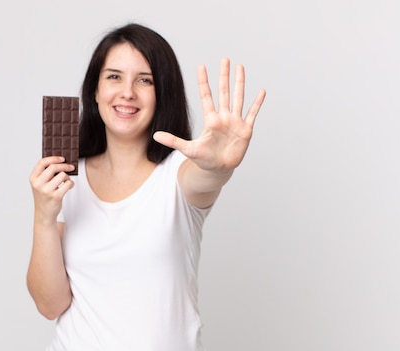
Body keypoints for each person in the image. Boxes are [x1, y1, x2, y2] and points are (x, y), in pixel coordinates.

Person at [27, 23, 266, 351]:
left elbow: (207, 177)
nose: (127, 92)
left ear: (162, 94)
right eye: (114, 76)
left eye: (145, 80)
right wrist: (43, 214)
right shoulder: (66, 178)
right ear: (94, 90)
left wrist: (219, 165)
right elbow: (50, 305)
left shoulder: (178, 175)